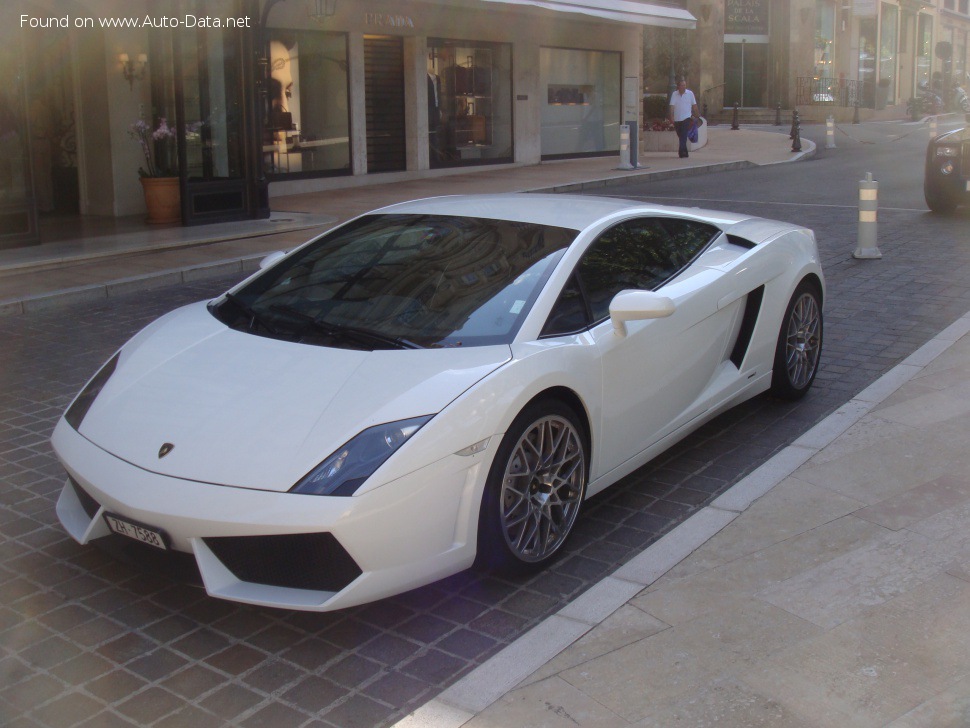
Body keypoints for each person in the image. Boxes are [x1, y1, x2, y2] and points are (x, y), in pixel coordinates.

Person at [669, 78, 700, 159]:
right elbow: (672, 106)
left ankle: (681, 152)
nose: (683, 87)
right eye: (682, 85)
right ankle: (685, 152)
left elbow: (694, 105)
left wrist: (697, 115)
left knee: (683, 135)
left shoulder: (690, 93)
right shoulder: (674, 94)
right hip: (677, 119)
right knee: (681, 136)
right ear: (678, 86)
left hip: (686, 118)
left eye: (684, 85)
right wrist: (671, 117)